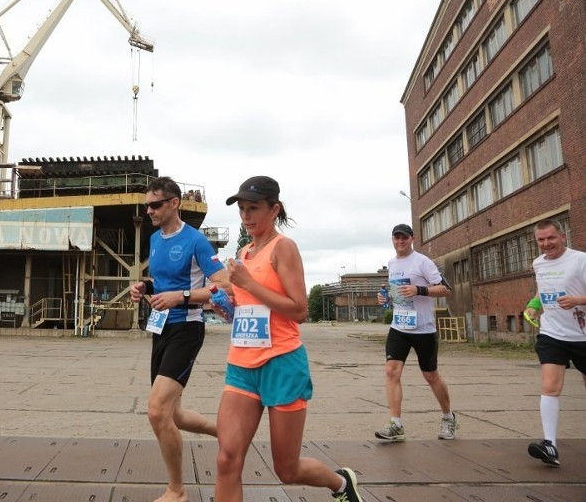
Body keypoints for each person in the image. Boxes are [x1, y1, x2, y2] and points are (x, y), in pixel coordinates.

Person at [215, 176, 363, 502]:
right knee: (227, 459)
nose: (246, 217)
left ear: (274, 209)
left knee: (286, 469)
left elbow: (299, 310)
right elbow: (250, 307)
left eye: (253, 209)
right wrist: (228, 308)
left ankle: (340, 484)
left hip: (281, 363)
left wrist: (249, 284)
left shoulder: (284, 249)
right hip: (241, 364)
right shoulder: (244, 251)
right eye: (241, 210)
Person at [129, 176, 228, 502]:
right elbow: (163, 283)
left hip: (187, 329)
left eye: (155, 205)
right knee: (174, 415)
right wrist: (145, 288)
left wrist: (181, 297)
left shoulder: (196, 240)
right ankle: (225, 433)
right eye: (146, 206)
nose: (149, 211)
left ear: (174, 203)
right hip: (160, 329)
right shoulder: (155, 239)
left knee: (156, 412)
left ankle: (177, 491)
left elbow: (223, 286)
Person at [375, 223, 456, 442]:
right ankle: (396, 424)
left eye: (404, 237)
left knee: (430, 375)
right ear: (392, 240)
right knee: (392, 371)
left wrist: (420, 290)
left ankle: (448, 417)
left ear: (412, 239)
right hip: (399, 327)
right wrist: (386, 298)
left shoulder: (423, 262)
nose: (400, 241)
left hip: (423, 329)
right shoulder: (392, 263)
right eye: (396, 238)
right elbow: (398, 293)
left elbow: (446, 290)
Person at [523, 218, 586, 466]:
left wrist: (579, 299)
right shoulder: (538, 264)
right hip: (552, 333)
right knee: (550, 385)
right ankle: (550, 445)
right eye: (541, 240)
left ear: (563, 236)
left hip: (582, 335)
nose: (546, 243)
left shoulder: (580, 260)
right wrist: (532, 306)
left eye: (551, 238)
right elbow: (542, 292)